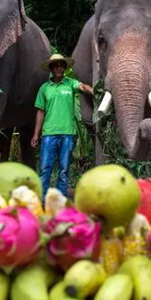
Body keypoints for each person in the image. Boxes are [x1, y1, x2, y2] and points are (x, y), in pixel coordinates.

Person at [31, 54, 93, 198]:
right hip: (48, 134)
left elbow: (82, 86)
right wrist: (36, 134)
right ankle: (42, 200)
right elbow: (40, 111)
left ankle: (60, 200)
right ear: (51, 69)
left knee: (64, 169)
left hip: (67, 134)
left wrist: (92, 90)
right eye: (56, 65)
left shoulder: (70, 83)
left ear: (65, 68)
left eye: (61, 65)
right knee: (45, 169)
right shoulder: (44, 88)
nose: (59, 67)